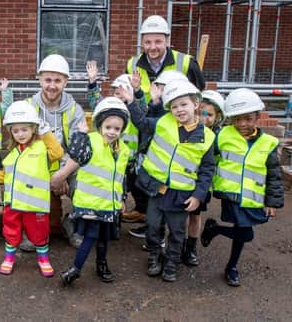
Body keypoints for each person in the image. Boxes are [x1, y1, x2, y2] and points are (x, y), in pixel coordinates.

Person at [122, 79, 215, 282]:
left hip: (181, 194)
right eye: (174, 106)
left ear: (196, 105)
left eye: (184, 104)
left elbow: (208, 170)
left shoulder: (207, 137)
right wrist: (131, 102)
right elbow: (141, 123)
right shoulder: (163, 122)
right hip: (156, 188)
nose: (179, 110)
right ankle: (155, 256)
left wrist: (199, 196)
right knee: (153, 226)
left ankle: (172, 262)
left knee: (176, 231)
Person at [201, 88, 284, 286]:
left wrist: (272, 201)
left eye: (247, 119)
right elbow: (209, 161)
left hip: (254, 198)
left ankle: (216, 233)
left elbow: (274, 175)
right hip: (231, 195)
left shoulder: (268, 143)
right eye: (237, 120)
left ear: (257, 117)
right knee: (245, 232)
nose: (242, 124)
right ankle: (231, 267)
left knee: (245, 233)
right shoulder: (223, 135)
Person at [0, 101, 63, 276]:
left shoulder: (41, 149)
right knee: (11, 232)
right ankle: (9, 258)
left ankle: (43, 259)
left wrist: (46, 133)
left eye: (24, 129)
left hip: (35, 205)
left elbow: (58, 152)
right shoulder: (12, 156)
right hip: (13, 204)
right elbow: (4, 176)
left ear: (33, 128)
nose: (20, 134)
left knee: (39, 233)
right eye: (16, 131)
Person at [60, 98, 131, 286]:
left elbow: (121, 177)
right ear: (100, 125)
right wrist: (81, 135)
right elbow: (76, 153)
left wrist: (122, 198)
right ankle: (76, 268)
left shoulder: (123, 150)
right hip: (91, 204)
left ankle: (101, 264)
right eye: (108, 127)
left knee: (103, 238)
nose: (112, 132)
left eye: (117, 129)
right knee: (90, 238)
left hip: (109, 205)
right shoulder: (90, 141)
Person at [27, 54, 86, 250]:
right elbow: (25, 150)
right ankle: (32, 229)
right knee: (25, 185)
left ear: (66, 82)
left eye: (58, 80)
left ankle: (74, 222)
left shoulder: (74, 110)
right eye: (48, 80)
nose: (52, 85)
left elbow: (79, 151)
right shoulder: (29, 107)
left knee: (85, 187)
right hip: (39, 167)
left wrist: (62, 175)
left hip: (68, 166)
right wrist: (51, 176)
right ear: (40, 79)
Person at [85, 61, 147, 225]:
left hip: (130, 161)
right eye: (116, 93)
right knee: (112, 189)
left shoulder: (135, 111)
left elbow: (143, 108)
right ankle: (111, 220)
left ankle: (132, 215)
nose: (119, 97)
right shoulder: (109, 108)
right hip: (110, 158)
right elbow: (95, 101)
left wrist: (138, 91)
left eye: (124, 93)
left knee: (131, 189)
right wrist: (92, 82)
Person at [181, 89, 226, 266]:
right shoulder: (185, 128)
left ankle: (191, 247)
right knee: (176, 215)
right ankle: (175, 244)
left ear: (218, 117)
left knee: (194, 215)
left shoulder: (218, 137)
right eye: (201, 113)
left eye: (210, 115)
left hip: (201, 184)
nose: (204, 118)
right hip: (182, 179)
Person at [126, 15, 205, 103]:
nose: (152, 47)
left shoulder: (187, 63)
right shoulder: (132, 64)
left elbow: (198, 98)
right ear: (142, 43)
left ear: (167, 41)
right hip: (142, 116)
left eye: (158, 42)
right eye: (147, 42)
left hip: (175, 116)